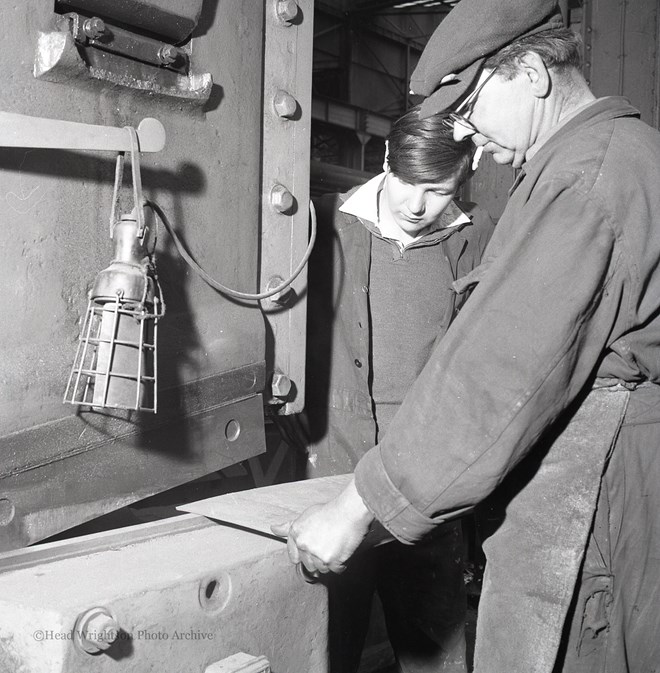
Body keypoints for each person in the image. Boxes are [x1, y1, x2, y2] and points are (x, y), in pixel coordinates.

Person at [272, 1, 660, 672]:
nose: (472, 141)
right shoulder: (614, 155)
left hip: (602, 491)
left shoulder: (587, 175)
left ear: (532, 72)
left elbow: (500, 371)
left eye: (472, 109)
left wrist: (359, 504)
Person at [288, 106, 494, 673]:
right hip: (329, 473)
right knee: (324, 650)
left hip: (425, 486)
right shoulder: (320, 224)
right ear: (384, 160)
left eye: (437, 190)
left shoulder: (474, 241)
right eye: (407, 182)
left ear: (463, 179)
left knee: (434, 652)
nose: (417, 205)